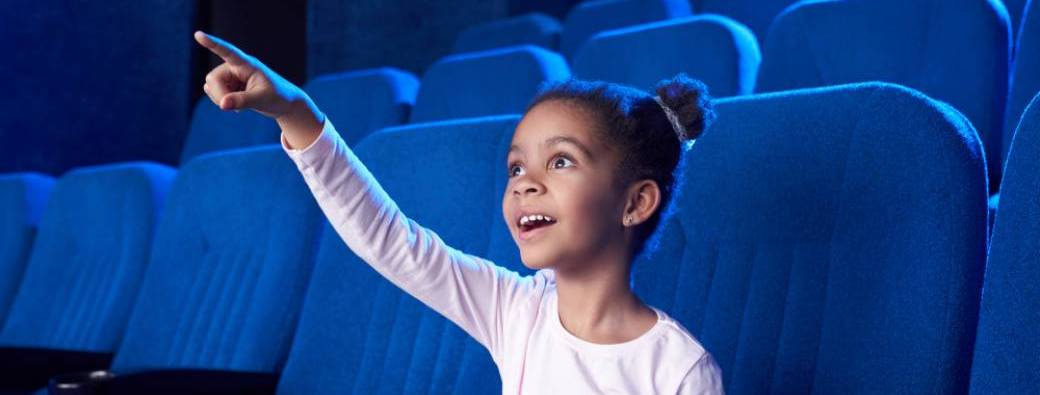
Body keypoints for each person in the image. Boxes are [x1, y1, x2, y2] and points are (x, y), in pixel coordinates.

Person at [194, 30, 724, 394]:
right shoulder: (516, 310)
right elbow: (390, 240)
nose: (525, 184)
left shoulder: (680, 370)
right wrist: (295, 112)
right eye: (515, 167)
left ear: (635, 202)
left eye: (560, 161)